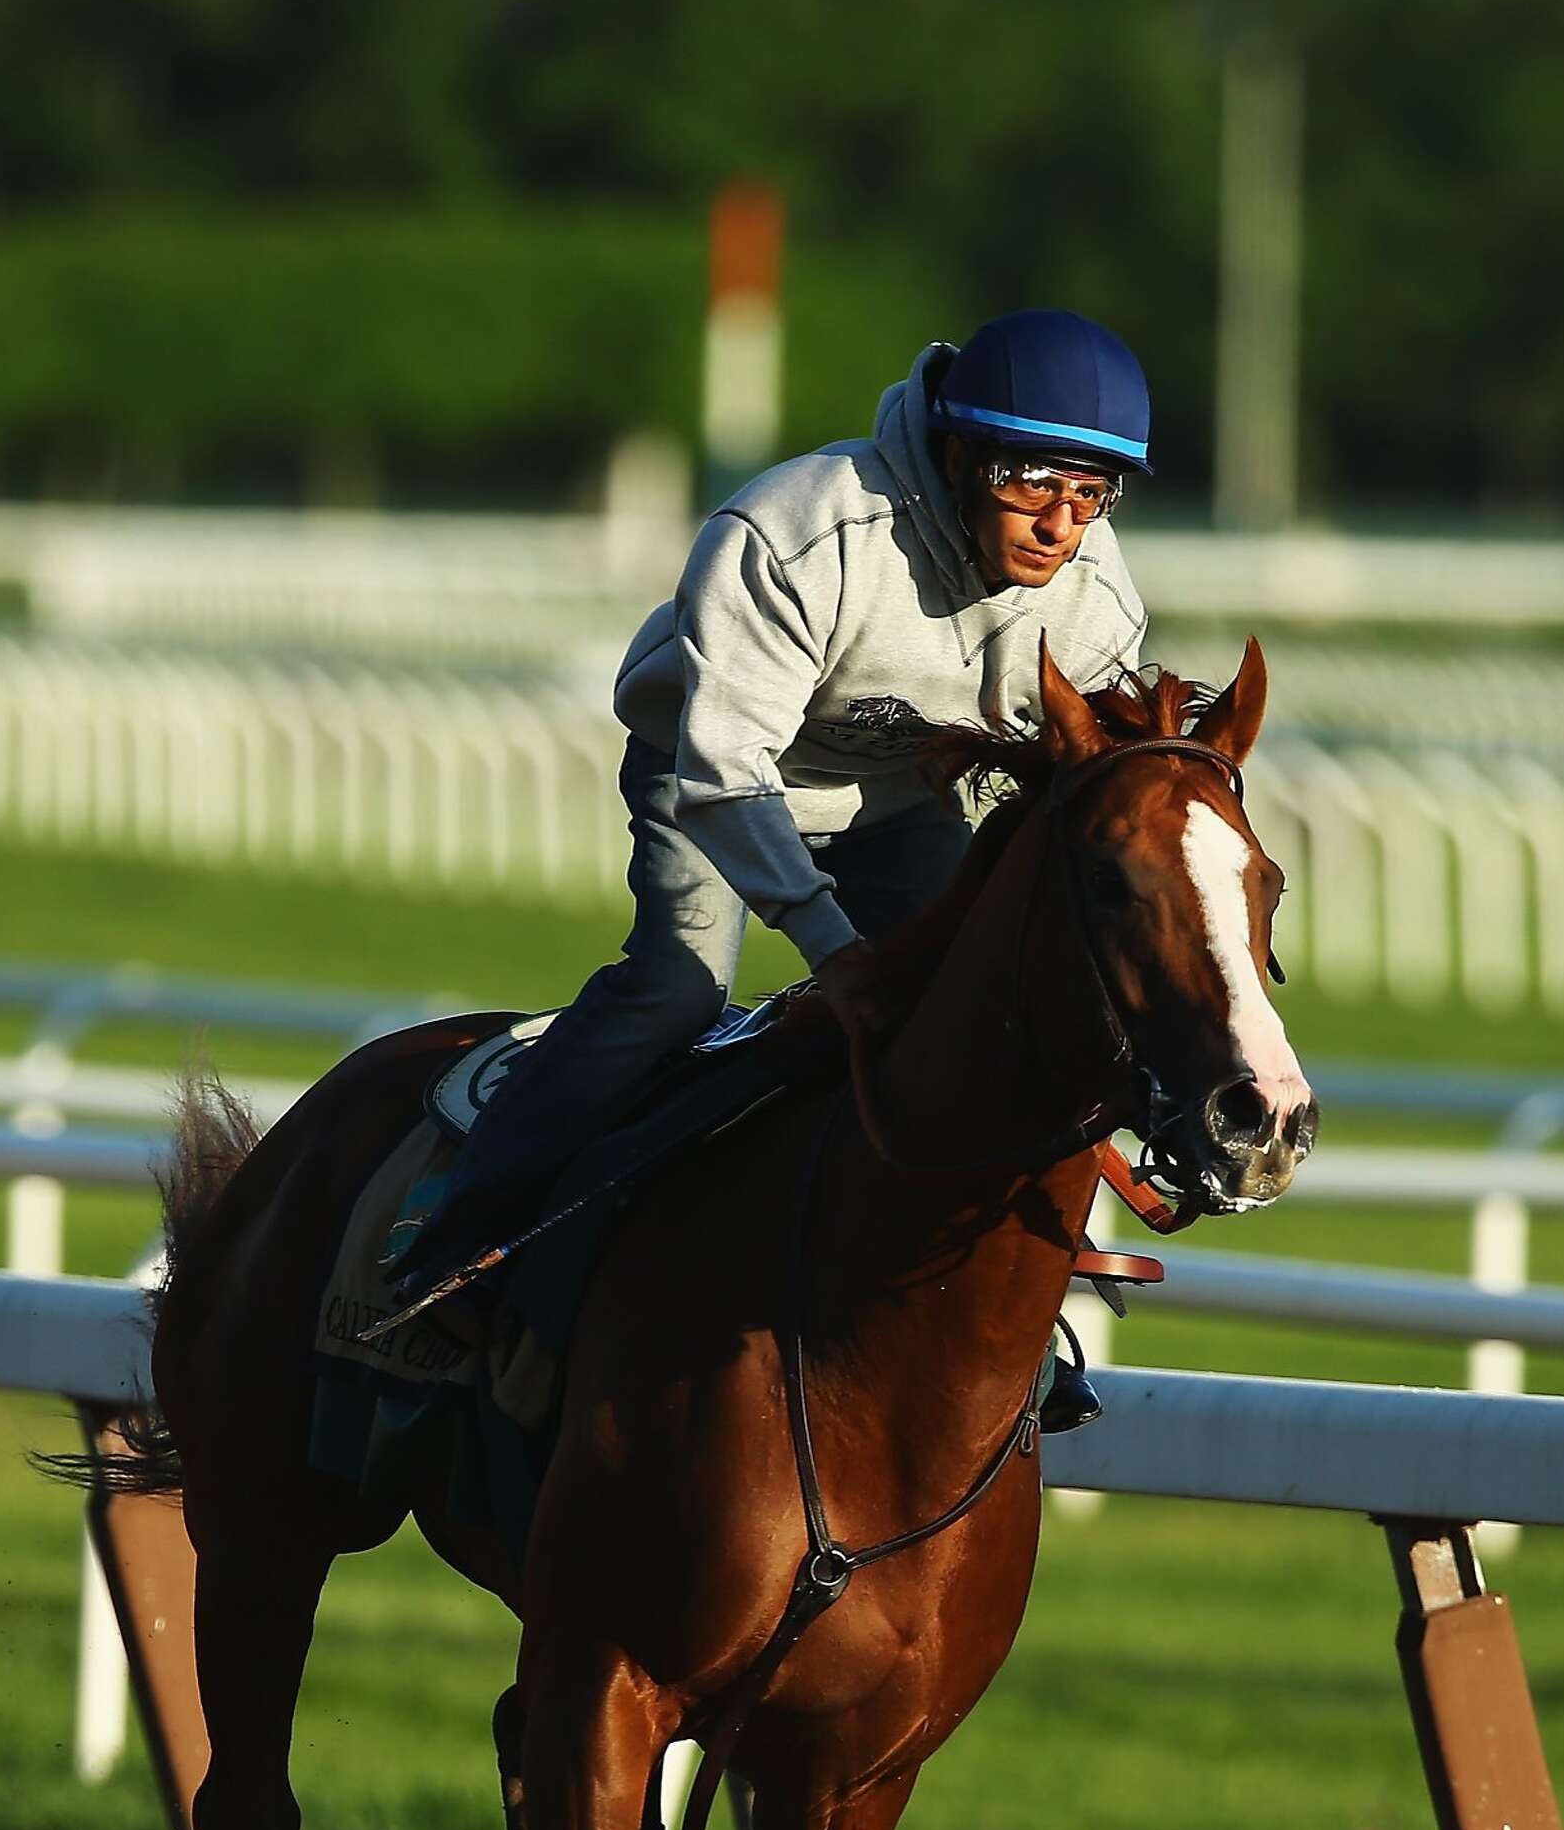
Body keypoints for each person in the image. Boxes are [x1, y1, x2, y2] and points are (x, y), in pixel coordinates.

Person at [404, 308, 1154, 1422]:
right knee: (677, 987)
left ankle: (999, 1315)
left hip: (894, 800)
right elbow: (725, 770)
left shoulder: (1095, 596)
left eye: (1091, 494)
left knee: (976, 1010)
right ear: (956, 450)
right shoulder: (797, 532)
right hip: (707, 766)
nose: (1059, 525)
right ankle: (461, 1245)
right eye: (1030, 479)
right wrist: (833, 950)